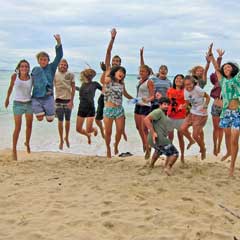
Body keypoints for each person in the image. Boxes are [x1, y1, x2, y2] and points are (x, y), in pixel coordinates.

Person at [208, 44, 240, 176]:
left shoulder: (237, 79)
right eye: (225, 67)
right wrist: (212, 57)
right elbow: (216, 68)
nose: (227, 68)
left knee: (234, 139)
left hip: (237, 112)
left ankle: (232, 166)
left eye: (229, 67)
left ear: (233, 69)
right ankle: (227, 152)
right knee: (227, 135)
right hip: (226, 112)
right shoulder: (222, 81)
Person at [96, 28, 125, 139]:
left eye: (118, 61)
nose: (116, 62)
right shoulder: (108, 69)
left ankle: (113, 134)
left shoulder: (121, 74)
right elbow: (108, 52)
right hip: (104, 97)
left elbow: (122, 90)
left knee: (116, 122)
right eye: (114, 61)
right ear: (112, 62)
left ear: (120, 63)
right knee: (97, 118)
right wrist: (112, 39)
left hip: (115, 102)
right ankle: (102, 130)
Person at [5, 60, 33, 160]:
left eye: (26, 66)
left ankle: (27, 142)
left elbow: (37, 89)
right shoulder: (14, 76)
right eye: (22, 66)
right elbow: (10, 87)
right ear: (19, 68)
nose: (24, 68)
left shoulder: (31, 78)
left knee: (29, 126)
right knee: (18, 127)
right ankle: (14, 150)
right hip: (17, 104)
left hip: (29, 103)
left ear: (28, 68)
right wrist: (7, 99)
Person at [31, 34, 63, 122]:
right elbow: (30, 82)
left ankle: (50, 110)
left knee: (50, 120)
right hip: (36, 97)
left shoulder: (51, 67)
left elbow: (59, 56)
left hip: (48, 97)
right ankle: (46, 109)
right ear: (38, 61)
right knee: (40, 118)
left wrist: (58, 42)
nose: (43, 61)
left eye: (45, 59)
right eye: (41, 59)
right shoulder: (35, 70)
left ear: (48, 60)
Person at [144, 97, 179, 176]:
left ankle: (151, 165)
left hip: (154, 140)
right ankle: (168, 168)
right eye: (164, 104)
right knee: (175, 153)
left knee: (158, 150)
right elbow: (146, 119)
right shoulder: (158, 112)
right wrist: (153, 133)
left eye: (168, 105)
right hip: (159, 139)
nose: (166, 106)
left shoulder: (163, 114)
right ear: (160, 105)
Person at [103, 66, 133, 158]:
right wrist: (106, 70)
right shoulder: (109, 80)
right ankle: (108, 148)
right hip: (108, 110)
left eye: (123, 72)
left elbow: (125, 94)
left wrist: (135, 99)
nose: (121, 73)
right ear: (114, 72)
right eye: (120, 71)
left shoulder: (122, 84)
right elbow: (103, 79)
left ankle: (116, 144)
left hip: (119, 110)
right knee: (108, 132)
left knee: (120, 131)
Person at [180, 75, 210, 160]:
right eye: (186, 85)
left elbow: (208, 97)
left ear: (193, 83)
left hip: (201, 114)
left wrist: (205, 106)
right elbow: (187, 103)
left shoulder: (198, 89)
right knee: (182, 129)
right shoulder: (185, 91)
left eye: (189, 84)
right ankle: (191, 141)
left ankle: (203, 149)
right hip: (192, 112)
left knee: (196, 135)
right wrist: (183, 106)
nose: (188, 86)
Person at [167, 74, 195, 163]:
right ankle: (169, 156)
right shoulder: (170, 90)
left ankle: (182, 156)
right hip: (170, 117)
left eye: (180, 79)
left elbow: (189, 102)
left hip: (181, 117)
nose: (178, 80)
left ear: (183, 81)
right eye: (177, 78)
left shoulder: (185, 91)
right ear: (174, 80)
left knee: (180, 138)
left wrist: (184, 106)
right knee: (170, 138)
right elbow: (167, 102)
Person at [76, 69, 102, 144]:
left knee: (89, 129)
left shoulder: (95, 84)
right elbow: (81, 90)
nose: (89, 76)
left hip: (91, 109)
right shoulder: (83, 84)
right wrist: (73, 87)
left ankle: (95, 129)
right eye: (88, 75)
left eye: (91, 75)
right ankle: (88, 135)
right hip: (81, 108)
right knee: (78, 129)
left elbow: (104, 90)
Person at [134, 62, 154, 159]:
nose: (141, 72)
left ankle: (148, 147)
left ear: (148, 73)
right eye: (140, 71)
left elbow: (152, 96)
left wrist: (148, 99)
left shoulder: (149, 82)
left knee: (144, 128)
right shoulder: (140, 81)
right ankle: (145, 143)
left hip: (146, 106)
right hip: (138, 105)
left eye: (143, 71)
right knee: (138, 127)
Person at [54, 59, 75, 150]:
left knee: (68, 121)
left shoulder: (71, 74)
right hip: (58, 100)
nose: (63, 66)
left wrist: (72, 101)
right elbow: (50, 86)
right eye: (61, 65)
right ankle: (61, 140)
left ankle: (66, 137)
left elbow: (73, 88)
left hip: (68, 100)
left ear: (67, 66)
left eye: (65, 65)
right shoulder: (54, 74)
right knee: (60, 121)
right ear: (58, 66)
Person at [209, 49, 225, 156]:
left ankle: (219, 145)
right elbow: (216, 68)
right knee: (216, 129)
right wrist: (214, 57)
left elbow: (217, 68)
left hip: (225, 107)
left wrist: (218, 58)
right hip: (215, 106)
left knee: (221, 129)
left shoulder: (228, 81)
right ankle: (215, 145)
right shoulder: (217, 82)